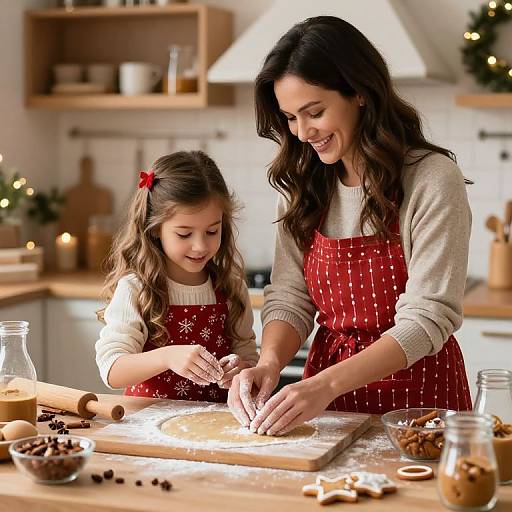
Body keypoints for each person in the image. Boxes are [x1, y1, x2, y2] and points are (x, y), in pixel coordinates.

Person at [228, 16, 472, 435]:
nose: (302, 133)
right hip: (328, 401)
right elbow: (290, 296)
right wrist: (269, 363)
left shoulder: (430, 179)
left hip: (420, 402)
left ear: (359, 91)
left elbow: (427, 317)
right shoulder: (303, 182)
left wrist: (323, 385)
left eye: (314, 112)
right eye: (290, 117)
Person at [95, 151, 258, 402]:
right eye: (184, 234)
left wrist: (241, 370)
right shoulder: (137, 289)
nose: (200, 246)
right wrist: (167, 356)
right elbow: (112, 369)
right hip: (147, 427)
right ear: (156, 228)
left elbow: (247, 354)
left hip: (214, 427)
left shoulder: (231, 287)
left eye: (212, 231)